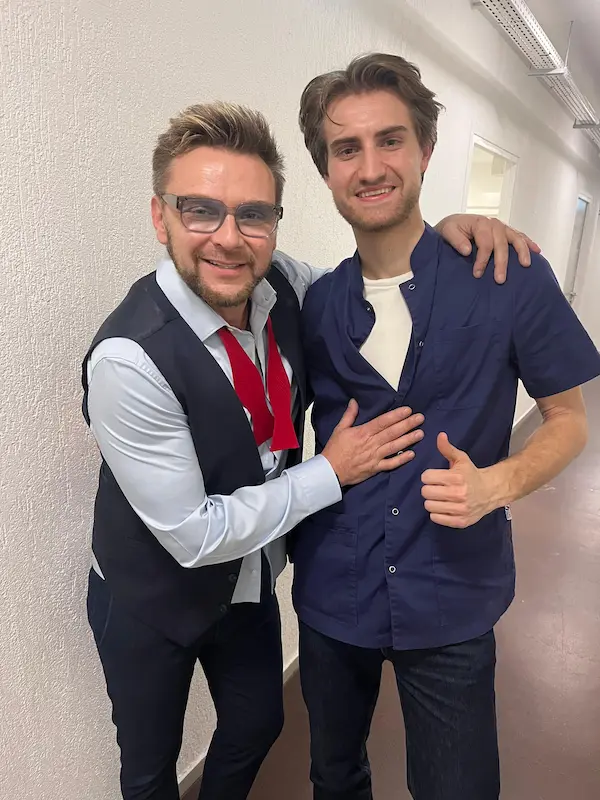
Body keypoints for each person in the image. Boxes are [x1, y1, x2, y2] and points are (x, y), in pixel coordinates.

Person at [81, 99, 536, 800]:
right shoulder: (128, 359)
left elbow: (376, 284)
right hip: (154, 592)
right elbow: (195, 536)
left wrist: (446, 238)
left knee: (260, 724)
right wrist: (332, 471)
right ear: (159, 216)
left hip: (249, 579)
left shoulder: (286, 286)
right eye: (200, 210)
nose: (229, 239)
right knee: (149, 769)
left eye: (254, 214)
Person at [292, 52, 600, 800]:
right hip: (338, 588)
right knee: (335, 775)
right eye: (346, 148)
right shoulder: (316, 305)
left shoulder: (507, 274)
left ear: (426, 149)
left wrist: (502, 481)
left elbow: (567, 420)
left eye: (390, 140)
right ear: (325, 170)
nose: (370, 166)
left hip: (454, 591)